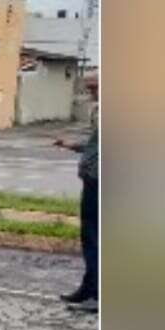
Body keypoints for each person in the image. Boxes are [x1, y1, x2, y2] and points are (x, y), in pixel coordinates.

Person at [55, 118, 99, 311]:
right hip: (92, 183)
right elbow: (93, 146)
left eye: (95, 87)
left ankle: (97, 295)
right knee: (90, 238)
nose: (92, 90)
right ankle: (88, 289)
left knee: (93, 239)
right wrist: (70, 145)